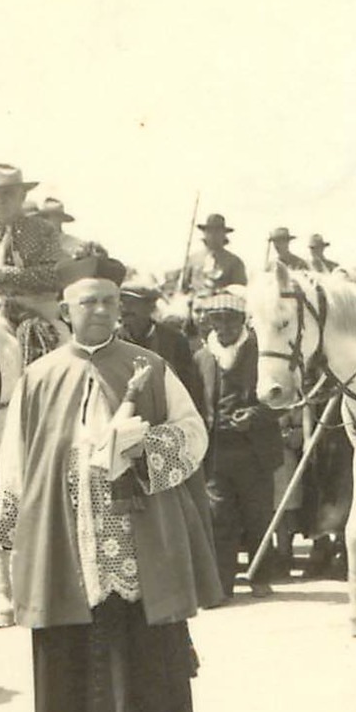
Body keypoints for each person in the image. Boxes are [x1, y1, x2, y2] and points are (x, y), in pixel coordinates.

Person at [0, 254, 219, 712]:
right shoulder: (40, 376)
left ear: (121, 307)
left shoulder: (150, 366)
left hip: (134, 525)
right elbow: (15, 458)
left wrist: (145, 447)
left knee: (127, 632)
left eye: (110, 302)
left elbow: (193, 433)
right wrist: (8, 535)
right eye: (88, 302)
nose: (99, 311)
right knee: (74, 631)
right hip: (65, 526)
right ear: (66, 309)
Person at [194, 288, 280, 600]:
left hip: (254, 451)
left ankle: (260, 577)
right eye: (218, 322)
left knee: (257, 515)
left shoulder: (261, 351)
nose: (224, 328)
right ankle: (221, 583)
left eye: (230, 321)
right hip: (216, 452)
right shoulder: (203, 357)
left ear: (242, 321)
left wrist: (255, 415)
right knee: (219, 517)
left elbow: (280, 398)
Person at [0, 164, 67, 333]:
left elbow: (54, 275)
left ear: (23, 196)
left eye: (9, 193)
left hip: (36, 313)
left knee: (57, 343)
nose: (2, 200)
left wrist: (4, 274)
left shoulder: (43, 230)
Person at [118, 275, 205, 415]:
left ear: (150, 306)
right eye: (121, 303)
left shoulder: (174, 340)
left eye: (132, 303)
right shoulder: (113, 339)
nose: (125, 309)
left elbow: (187, 386)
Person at [187, 214, 248, 294]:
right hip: (195, 303)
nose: (213, 235)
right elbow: (184, 287)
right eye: (210, 231)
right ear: (204, 233)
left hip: (223, 303)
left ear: (224, 235)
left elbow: (240, 291)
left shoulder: (235, 262)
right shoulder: (193, 260)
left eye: (217, 231)